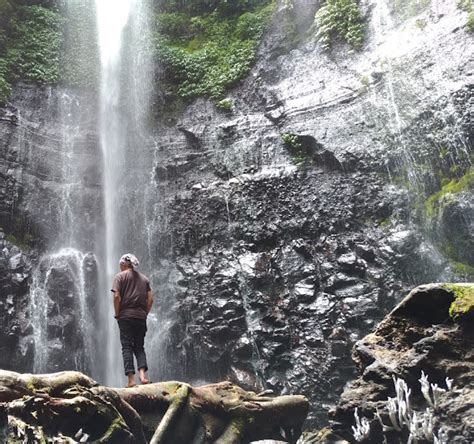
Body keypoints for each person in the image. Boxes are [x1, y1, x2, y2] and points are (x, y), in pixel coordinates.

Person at [111, 253, 154, 387]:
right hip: (140, 317)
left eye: (120, 264)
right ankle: (143, 376)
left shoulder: (119, 277)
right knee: (139, 347)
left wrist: (117, 313)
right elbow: (150, 299)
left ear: (124, 264)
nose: (119, 267)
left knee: (127, 346)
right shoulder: (144, 279)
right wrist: (144, 313)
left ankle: (131, 380)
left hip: (126, 316)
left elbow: (117, 296)